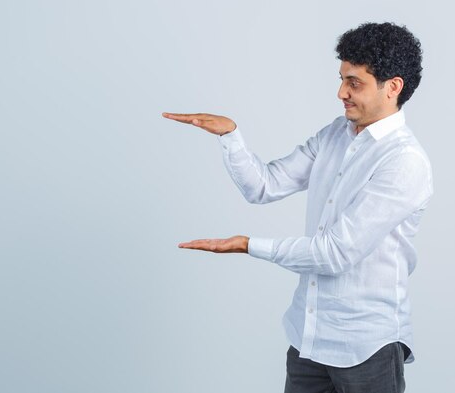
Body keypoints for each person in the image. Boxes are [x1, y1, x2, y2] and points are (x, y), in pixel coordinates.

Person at [162, 22, 433, 393]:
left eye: (355, 82)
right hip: (309, 337)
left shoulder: (405, 162)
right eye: (341, 79)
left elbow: (335, 253)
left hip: (367, 346)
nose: (341, 92)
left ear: (393, 87)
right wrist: (231, 136)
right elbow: (263, 186)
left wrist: (247, 245)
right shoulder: (334, 135)